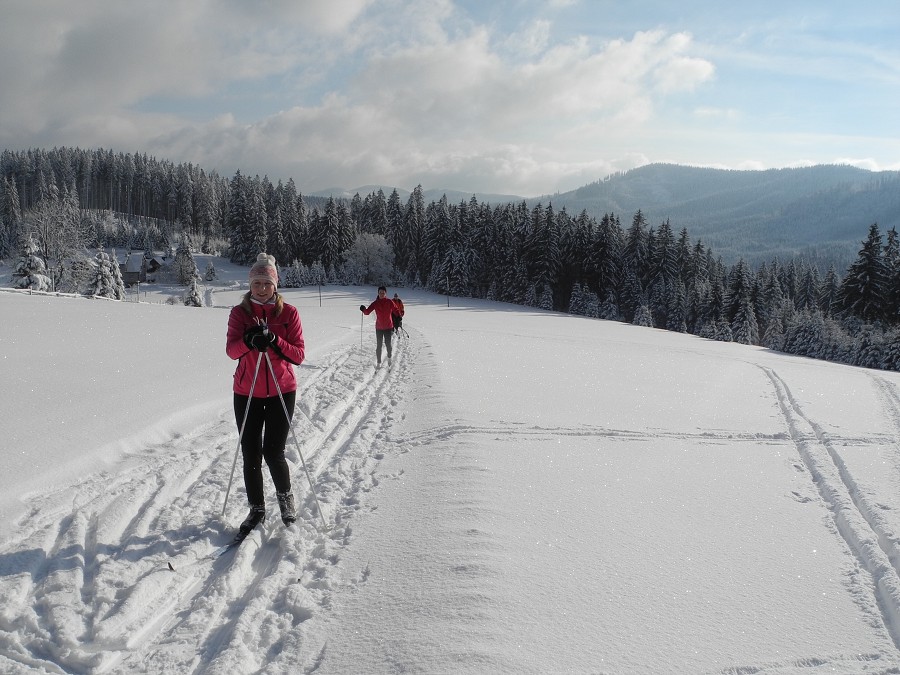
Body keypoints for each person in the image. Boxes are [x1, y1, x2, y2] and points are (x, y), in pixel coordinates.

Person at [226, 253, 305, 536]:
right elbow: (231, 351)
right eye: (256, 282)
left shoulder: (289, 313)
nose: (261, 288)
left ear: (275, 285)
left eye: (266, 283)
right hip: (246, 392)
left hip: (281, 390)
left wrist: (274, 340)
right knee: (250, 453)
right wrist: (248, 340)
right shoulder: (239, 314)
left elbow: (298, 355)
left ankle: (286, 500)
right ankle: (256, 508)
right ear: (250, 285)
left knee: (273, 451)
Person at [360, 285, 397, 366]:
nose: (381, 294)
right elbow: (367, 312)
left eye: (383, 293)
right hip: (379, 328)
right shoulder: (375, 303)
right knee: (379, 346)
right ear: (378, 293)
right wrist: (363, 309)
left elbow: (396, 310)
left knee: (388, 345)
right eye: (380, 293)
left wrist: (399, 316)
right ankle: (379, 362)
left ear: (385, 293)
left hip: (388, 327)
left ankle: (389, 358)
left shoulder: (390, 302)